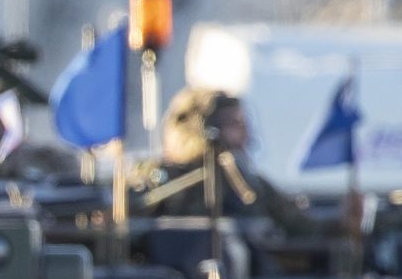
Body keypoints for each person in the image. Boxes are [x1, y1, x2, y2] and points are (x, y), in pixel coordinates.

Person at [128, 87, 309, 237]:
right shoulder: (164, 178)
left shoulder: (248, 183)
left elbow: (297, 224)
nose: (245, 133)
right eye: (234, 124)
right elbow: (133, 215)